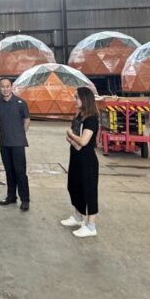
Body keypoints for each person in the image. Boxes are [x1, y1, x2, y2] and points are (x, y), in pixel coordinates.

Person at [62, 86, 101, 238]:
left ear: (84, 99)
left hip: (87, 161)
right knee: (74, 186)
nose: (74, 100)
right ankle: (78, 217)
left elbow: (83, 141)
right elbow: (76, 142)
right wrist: (73, 140)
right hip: (76, 158)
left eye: (76, 97)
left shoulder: (91, 119)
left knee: (89, 191)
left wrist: (71, 135)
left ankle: (91, 226)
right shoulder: (79, 116)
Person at [0, 78, 31, 211]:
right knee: (9, 171)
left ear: (11, 87)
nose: (5, 89)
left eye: (7, 86)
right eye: (3, 86)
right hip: (4, 142)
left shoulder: (20, 103)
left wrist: (19, 133)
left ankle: (25, 200)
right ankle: (11, 196)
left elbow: (27, 120)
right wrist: (5, 131)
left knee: (20, 171)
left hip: (18, 143)